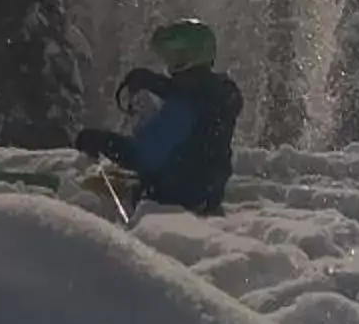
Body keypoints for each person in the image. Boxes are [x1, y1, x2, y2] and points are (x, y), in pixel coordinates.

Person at [74, 17, 239, 216]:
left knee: (91, 190)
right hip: (205, 192)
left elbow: (141, 156)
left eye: (176, 58)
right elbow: (190, 92)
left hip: (171, 199)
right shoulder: (216, 94)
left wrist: (100, 141)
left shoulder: (183, 107)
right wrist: (154, 83)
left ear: (189, 59)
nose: (170, 65)